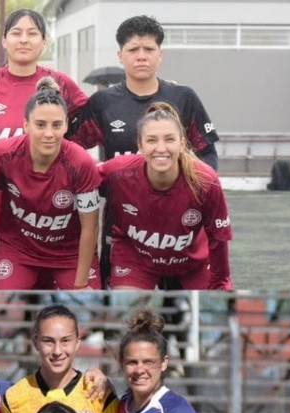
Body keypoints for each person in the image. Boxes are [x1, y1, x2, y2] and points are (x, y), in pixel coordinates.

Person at [69, 15, 219, 288]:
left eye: (149, 49)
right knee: (124, 304)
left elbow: (207, 153)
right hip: (123, 223)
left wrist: (196, 192)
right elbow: (71, 150)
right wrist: (95, 185)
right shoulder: (103, 102)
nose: (141, 56)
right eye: (133, 50)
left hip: (179, 224)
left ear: (160, 54)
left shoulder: (183, 97)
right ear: (120, 55)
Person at [0, 8, 88, 287]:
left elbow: (90, 119)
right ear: (3, 41)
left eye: (32, 34)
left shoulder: (62, 83)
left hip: (47, 212)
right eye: (16, 33)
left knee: (45, 292)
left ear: (44, 42)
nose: (23, 40)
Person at [0, 78, 102, 290]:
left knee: (86, 307)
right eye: (40, 125)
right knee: (7, 308)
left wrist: (81, 284)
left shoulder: (81, 163)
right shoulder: (5, 152)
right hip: (19, 250)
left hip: (69, 254)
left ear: (66, 125)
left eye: (56, 125)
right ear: (26, 125)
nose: (49, 134)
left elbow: (90, 228)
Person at [99, 103, 233, 290]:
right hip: (136, 258)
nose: (161, 148)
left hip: (192, 262)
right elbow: (80, 180)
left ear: (181, 144)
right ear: (140, 145)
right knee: (127, 307)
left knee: (211, 307)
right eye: (151, 140)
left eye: (169, 139)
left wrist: (219, 285)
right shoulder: (118, 172)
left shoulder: (205, 180)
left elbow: (219, 238)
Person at [2, 305, 117, 413]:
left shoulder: (99, 393)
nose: (57, 351)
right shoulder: (14, 398)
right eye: (48, 341)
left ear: (77, 342)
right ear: (35, 342)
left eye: (65, 341)